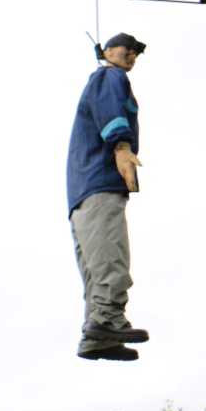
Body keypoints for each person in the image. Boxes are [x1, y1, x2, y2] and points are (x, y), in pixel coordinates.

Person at [66, 32, 150, 362]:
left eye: (135, 54)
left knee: (95, 265)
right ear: (107, 51)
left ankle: (96, 338)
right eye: (127, 50)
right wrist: (122, 146)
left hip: (81, 192)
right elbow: (111, 111)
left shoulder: (101, 78)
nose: (131, 56)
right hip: (100, 184)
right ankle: (108, 319)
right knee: (111, 256)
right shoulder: (109, 76)